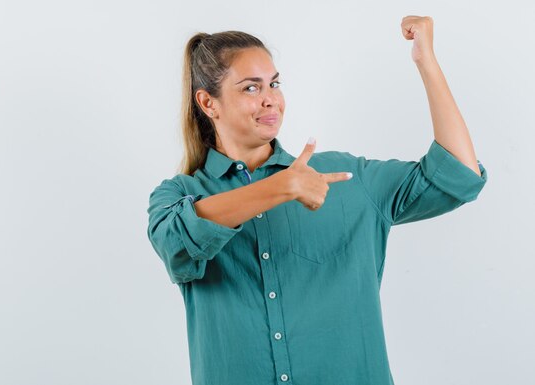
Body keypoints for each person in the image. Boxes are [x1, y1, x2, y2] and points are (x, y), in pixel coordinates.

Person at [146, 20, 488, 385]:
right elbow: (177, 241)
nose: (270, 99)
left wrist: (427, 62)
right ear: (207, 102)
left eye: (274, 84)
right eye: (251, 87)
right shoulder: (178, 195)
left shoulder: (346, 179)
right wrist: (282, 187)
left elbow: (459, 176)